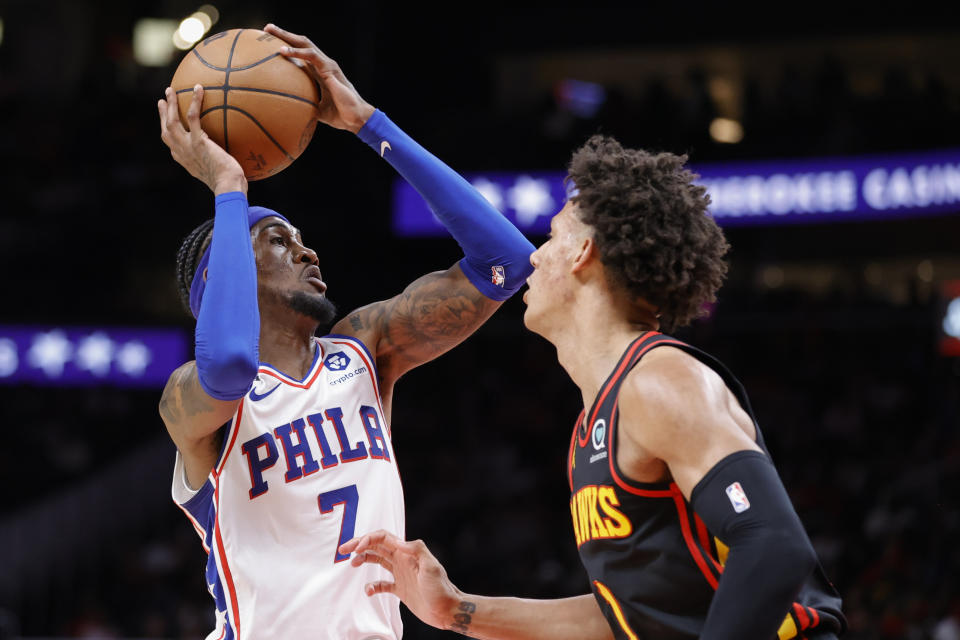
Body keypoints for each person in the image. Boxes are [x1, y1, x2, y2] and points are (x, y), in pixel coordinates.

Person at [340, 136, 847, 639]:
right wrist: (458, 610)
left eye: (552, 237)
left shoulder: (659, 380)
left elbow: (774, 542)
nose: (535, 258)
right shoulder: (594, 420)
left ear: (583, 251)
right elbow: (624, 616)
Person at [156, 24, 534, 640]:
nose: (309, 254)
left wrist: (368, 123)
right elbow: (229, 363)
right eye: (279, 241)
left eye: (303, 241)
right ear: (220, 275)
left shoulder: (364, 350)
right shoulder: (191, 399)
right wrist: (229, 190)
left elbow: (507, 263)